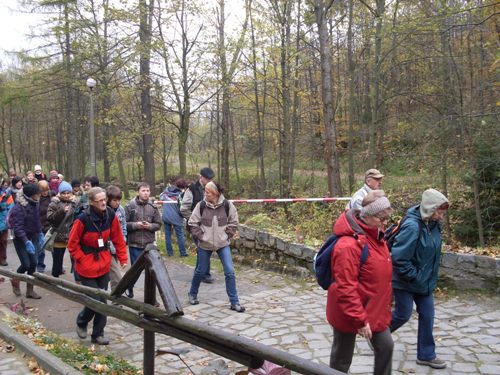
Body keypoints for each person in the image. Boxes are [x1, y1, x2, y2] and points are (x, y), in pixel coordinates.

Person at [327, 190, 393, 375]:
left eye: (388, 218)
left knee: (386, 346)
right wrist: (360, 319)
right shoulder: (348, 246)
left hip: (374, 309)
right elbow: (345, 288)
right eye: (382, 219)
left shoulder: (377, 237)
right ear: (369, 217)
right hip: (348, 312)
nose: (386, 223)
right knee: (341, 359)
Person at [390, 188, 450, 370]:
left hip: (424, 282)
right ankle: (379, 335)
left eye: (442, 212)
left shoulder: (433, 225)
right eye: (439, 211)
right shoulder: (412, 226)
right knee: (403, 314)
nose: (441, 216)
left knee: (428, 315)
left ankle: (426, 355)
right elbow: (398, 258)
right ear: (430, 208)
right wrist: (415, 276)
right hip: (405, 281)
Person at [67, 187, 128, 345]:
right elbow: (72, 244)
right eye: (100, 200)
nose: (103, 202)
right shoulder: (82, 219)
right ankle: (81, 322)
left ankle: (98, 334)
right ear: (92, 202)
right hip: (86, 267)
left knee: (103, 300)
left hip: (103, 263)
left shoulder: (110, 215)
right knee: (95, 301)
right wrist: (81, 259)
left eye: (104, 199)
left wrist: (122, 257)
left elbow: (118, 238)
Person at [188, 181, 245, 312]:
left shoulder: (227, 205)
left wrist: (227, 235)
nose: (205, 194)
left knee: (230, 271)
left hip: (222, 244)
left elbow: (234, 222)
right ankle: (192, 294)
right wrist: (201, 237)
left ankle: (234, 302)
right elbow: (192, 223)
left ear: (215, 193)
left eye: (207, 192)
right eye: (205, 191)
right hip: (205, 245)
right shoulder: (201, 205)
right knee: (200, 271)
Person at [125, 182, 162, 298]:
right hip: (135, 244)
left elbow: (158, 224)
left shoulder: (153, 207)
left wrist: (150, 226)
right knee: (135, 271)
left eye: (147, 191)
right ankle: (129, 288)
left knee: (152, 272)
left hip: (149, 245)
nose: (145, 193)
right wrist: (136, 225)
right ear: (138, 192)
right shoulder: (130, 206)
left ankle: (152, 298)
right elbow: (124, 225)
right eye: (143, 191)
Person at [180, 167, 215, 283]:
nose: (210, 181)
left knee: (205, 248)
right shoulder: (192, 189)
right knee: (203, 248)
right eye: (208, 179)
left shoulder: (212, 189)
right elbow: (184, 209)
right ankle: (204, 274)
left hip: (209, 225)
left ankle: (200, 273)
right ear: (202, 178)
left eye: (211, 179)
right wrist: (196, 220)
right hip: (196, 226)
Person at [9, 184, 44, 299]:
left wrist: (40, 233)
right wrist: (26, 242)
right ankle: (15, 279)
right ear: (30, 195)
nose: (39, 195)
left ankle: (30, 290)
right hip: (20, 239)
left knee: (33, 263)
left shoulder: (35, 203)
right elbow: (17, 228)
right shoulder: (18, 208)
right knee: (26, 264)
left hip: (32, 236)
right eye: (37, 193)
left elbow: (37, 220)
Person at [46, 181, 78, 278]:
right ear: (60, 193)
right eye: (64, 193)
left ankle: (78, 278)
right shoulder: (54, 203)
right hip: (58, 236)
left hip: (70, 236)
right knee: (57, 260)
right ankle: (55, 279)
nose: (66, 195)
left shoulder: (74, 203)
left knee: (74, 258)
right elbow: (50, 218)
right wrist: (61, 211)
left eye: (68, 193)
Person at [106, 185, 127, 292]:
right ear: (108, 200)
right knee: (115, 275)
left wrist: (123, 240)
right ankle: (116, 298)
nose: (117, 203)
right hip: (106, 247)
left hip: (117, 246)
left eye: (119, 200)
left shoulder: (121, 210)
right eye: (114, 200)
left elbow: (123, 227)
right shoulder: (104, 210)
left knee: (111, 273)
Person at [160, 178, 188, 257]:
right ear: (183, 187)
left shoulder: (166, 192)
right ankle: (183, 253)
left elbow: (161, 197)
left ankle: (170, 253)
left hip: (166, 216)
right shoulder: (182, 195)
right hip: (176, 218)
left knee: (167, 235)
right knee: (180, 235)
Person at [37, 180, 55, 273]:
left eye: (46, 190)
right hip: (40, 225)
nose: (45, 192)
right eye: (43, 190)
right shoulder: (37, 199)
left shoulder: (52, 196)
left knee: (53, 246)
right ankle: (40, 265)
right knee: (41, 247)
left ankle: (57, 265)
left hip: (51, 225)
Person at [0, 179, 14, 266]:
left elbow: (11, 206)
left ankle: (3, 258)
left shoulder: (6, 193)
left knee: (3, 240)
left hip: (3, 220)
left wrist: (8, 218)